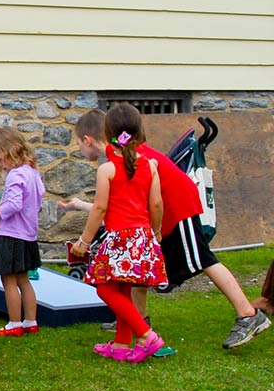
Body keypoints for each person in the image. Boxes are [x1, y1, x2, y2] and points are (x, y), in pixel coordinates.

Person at [61, 109, 270, 349]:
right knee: (135, 268)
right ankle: (138, 319)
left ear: (87, 139)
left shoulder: (120, 154)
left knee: (203, 259)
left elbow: (120, 204)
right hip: (156, 215)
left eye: (78, 144)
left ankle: (248, 314)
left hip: (177, 206)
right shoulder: (123, 151)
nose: (79, 149)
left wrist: (86, 239)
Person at [70, 103, 167, 363]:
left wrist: (84, 241)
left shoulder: (107, 169)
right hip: (142, 236)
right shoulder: (151, 165)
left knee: (104, 288)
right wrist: (156, 231)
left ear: (107, 131)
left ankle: (146, 335)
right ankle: (122, 344)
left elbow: (100, 207)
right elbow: (156, 203)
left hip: (119, 237)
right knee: (123, 290)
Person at [0, 127, 44, 337]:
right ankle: (30, 321)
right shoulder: (33, 173)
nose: (0, 164)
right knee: (24, 280)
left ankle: (14, 323)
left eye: (0, 159)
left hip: (11, 235)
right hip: (28, 235)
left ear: (9, 151)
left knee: (8, 280)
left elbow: (14, 204)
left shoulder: (15, 175)